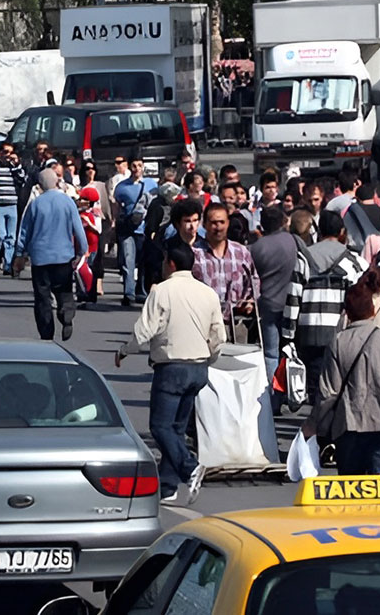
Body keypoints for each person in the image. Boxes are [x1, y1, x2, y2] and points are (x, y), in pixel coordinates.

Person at [115, 242, 226, 505]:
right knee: (175, 429)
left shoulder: (162, 291)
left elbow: (145, 329)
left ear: (171, 264)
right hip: (199, 366)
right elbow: (218, 335)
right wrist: (210, 357)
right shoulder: (207, 292)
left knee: (160, 426)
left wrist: (124, 350)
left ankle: (190, 467)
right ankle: (167, 486)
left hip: (172, 366)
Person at [302, 281, 380, 486]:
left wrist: (312, 425)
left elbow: (328, 393)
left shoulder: (339, 341)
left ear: (347, 313)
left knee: (352, 489)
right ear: (373, 311)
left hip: (349, 425)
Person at [281, 210, 368, 404]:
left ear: (318, 232)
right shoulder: (355, 263)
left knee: (315, 391)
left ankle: (317, 428)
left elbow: (293, 297)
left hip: (309, 333)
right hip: (343, 335)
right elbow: (361, 303)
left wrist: (287, 336)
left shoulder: (303, 258)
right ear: (342, 232)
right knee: (341, 389)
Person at [13, 169, 88, 341]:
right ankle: (66, 314)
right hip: (63, 255)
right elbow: (78, 229)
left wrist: (19, 253)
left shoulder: (36, 204)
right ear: (57, 182)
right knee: (65, 291)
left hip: (40, 258)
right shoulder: (68, 202)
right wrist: (81, 250)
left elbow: (25, 231)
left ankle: (46, 333)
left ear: (39, 186)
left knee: (42, 297)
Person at [248, 204, 297, 385]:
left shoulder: (256, 248)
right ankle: (293, 389)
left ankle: (272, 394)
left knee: (270, 352)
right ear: (282, 221)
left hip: (267, 303)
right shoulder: (292, 241)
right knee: (290, 348)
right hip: (292, 302)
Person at [114, 158, 157, 306]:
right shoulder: (121, 187)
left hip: (145, 229)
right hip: (127, 229)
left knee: (144, 261)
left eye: (140, 165)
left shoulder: (151, 185)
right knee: (128, 260)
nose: (137, 168)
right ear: (129, 167)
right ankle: (129, 293)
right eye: (134, 166)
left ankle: (142, 291)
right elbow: (117, 207)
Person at [0, 144, 26, 275]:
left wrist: (16, 166)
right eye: (5, 152)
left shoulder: (14, 167)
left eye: (10, 152)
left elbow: (22, 180)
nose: (8, 155)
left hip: (12, 204)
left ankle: (8, 265)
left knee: (11, 237)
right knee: (0, 234)